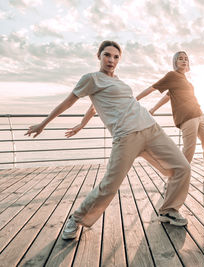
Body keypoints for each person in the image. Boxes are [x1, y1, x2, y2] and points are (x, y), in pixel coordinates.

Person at [25, 41, 191, 240]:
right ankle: (76, 219)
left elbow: (95, 107)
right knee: (109, 186)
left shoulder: (119, 81)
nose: (111, 60)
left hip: (151, 128)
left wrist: (82, 124)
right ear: (99, 56)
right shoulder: (91, 79)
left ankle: (169, 210)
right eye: (107, 55)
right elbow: (68, 102)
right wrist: (44, 123)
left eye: (115, 56)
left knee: (183, 167)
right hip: (126, 136)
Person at [135, 51, 204, 188]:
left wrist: (154, 109)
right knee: (189, 150)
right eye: (180, 59)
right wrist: (134, 101)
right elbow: (152, 88)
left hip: (199, 114)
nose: (183, 61)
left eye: (186, 59)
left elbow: (168, 96)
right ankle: (173, 179)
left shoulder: (185, 80)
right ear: (175, 62)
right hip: (186, 118)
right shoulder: (172, 75)